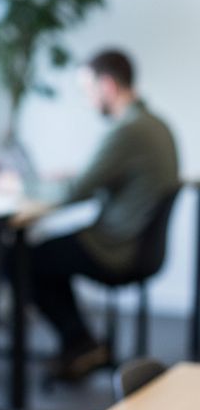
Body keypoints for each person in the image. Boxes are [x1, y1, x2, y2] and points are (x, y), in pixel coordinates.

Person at [30, 49, 179, 380]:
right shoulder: (155, 125)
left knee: (26, 259)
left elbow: (75, 192)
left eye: (88, 89)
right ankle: (80, 343)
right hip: (138, 245)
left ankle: (79, 342)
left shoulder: (128, 130)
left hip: (116, 248)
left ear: (107, 85)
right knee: (46, 255)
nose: (87, 99)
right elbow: (103, 175)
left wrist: (25, 184)